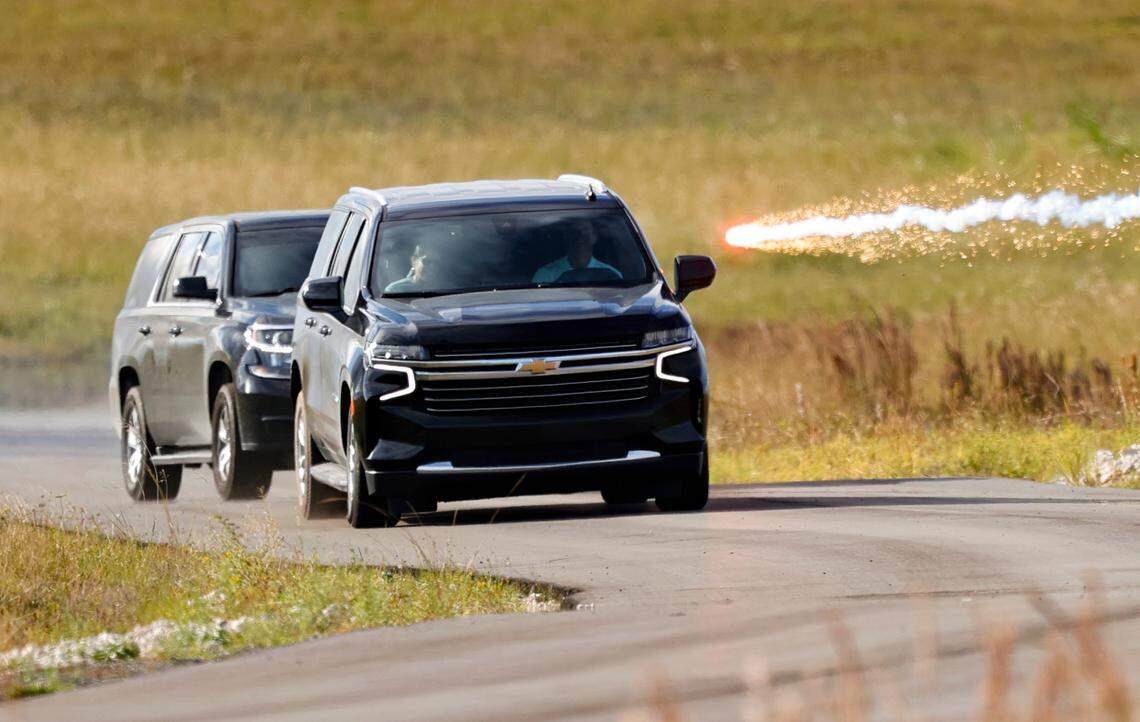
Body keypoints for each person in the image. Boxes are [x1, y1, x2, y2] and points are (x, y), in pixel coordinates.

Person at [532, 220, 622, 283]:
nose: (580, 236)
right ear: (567, 237)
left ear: (594, 237)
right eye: (574, 231)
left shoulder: (611, 275)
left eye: (585, 231)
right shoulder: (545, 276)